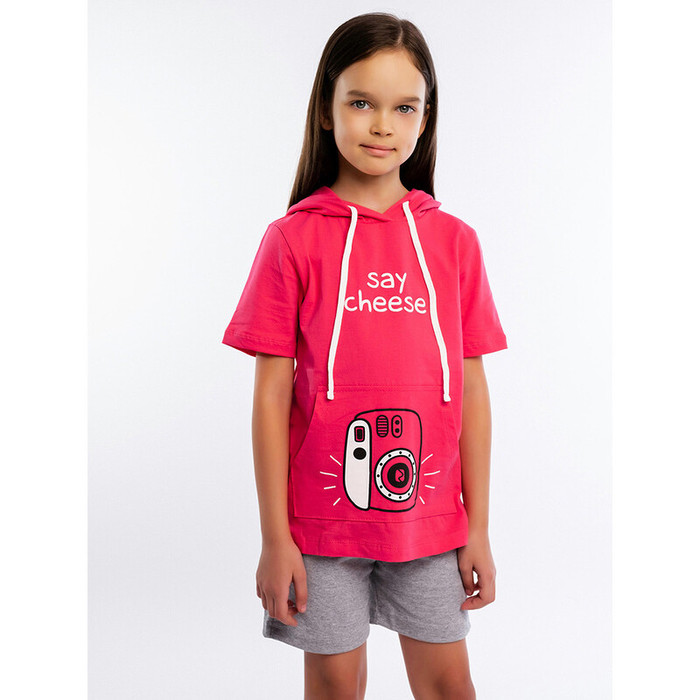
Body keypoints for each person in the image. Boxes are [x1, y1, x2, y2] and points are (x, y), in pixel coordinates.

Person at [221, 12, 507, 699]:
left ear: (425, 119)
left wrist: (478, 527)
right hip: (319, 529)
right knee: (334, 686)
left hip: (430, 525)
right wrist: (275, 538)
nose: (382, 125)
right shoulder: (292, 240)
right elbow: (270, 395)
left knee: (449, 685)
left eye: (404, 107)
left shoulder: (455, 243)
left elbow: (471, 391)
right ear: (326, 109)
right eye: (361, 103)